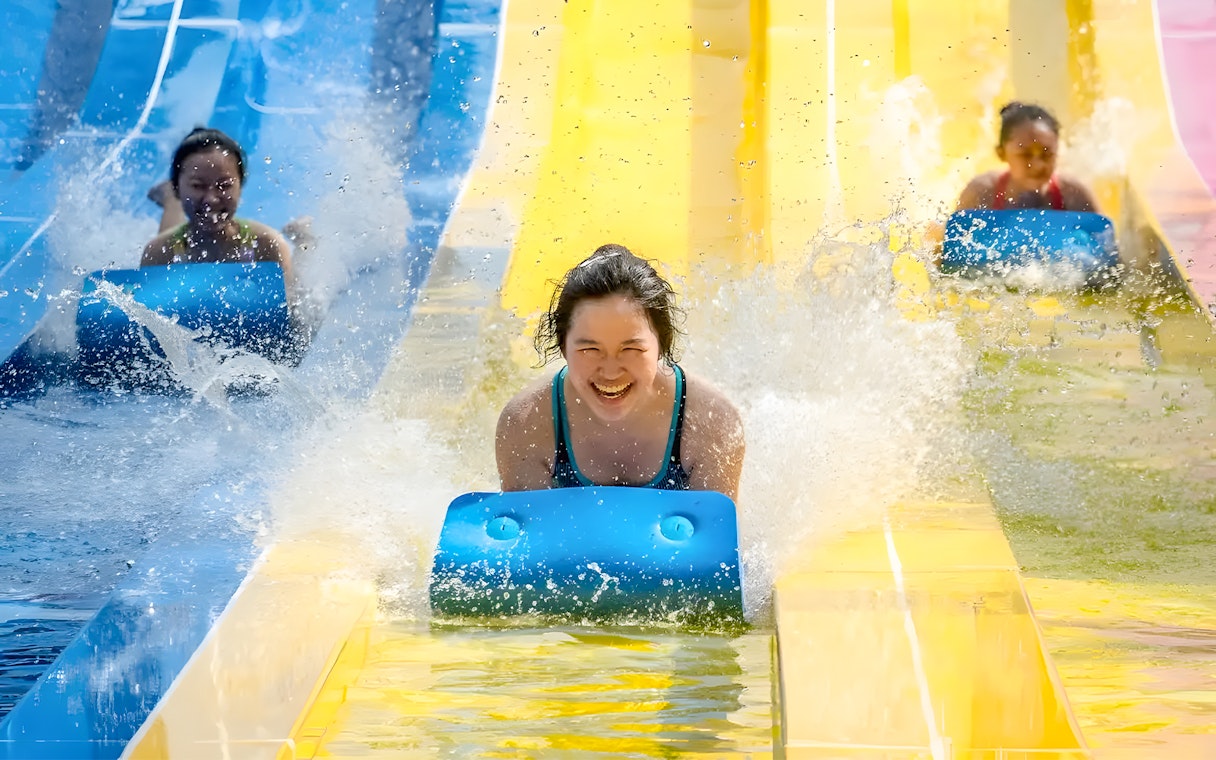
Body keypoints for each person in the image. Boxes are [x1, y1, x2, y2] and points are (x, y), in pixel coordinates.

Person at [495, 244, 746, 502]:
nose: (611, 371)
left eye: (631, 348)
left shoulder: (711, 423)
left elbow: (715, 527)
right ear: (563, 347)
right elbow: (532, 527)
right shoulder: (527, 425)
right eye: (591, 349)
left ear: (662, 345)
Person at [142, 127, 294, 282]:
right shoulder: (157, 253)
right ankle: (171, 200)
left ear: (240, 186)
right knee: (171, 244)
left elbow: (294, 296)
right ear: (177, 188)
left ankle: (304, 238)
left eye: (224, 185)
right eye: (198, 185)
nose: (211, 199)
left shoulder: (267, 246)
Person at [956, 101, 1100, 213]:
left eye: (1047, 155)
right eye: (1025, 155)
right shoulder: (982, 193)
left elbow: (1104, 239)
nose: (1037, 165)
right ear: (1001, 154)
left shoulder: (1074, 196)